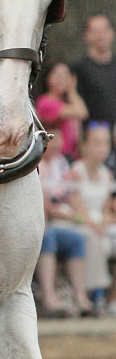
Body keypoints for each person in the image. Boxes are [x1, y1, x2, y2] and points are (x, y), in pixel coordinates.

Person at [35, 125, 96, 317]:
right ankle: (49, 297)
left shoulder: (61, 163)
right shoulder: (36, 165)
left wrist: (83, 216)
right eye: (53, 139)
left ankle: (80, 297)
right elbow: (42, 202)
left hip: (61, 221)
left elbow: (71, 194)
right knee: (49, 237)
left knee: (77, 239)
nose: (57, 144)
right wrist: (68, 215)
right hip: (43, 223)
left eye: (59, 139)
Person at [70, 124, 116, 314]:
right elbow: (77, 206)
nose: (102, 149)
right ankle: (95, 295)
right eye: (97, 143)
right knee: (91, 238)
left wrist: (103, 223)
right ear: (86, 146)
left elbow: (107, 210)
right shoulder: (76, 171)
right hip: (79, 222)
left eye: (105, 144)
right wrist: (94, 223)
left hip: (100, 224)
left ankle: (112, 300)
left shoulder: (108, 174)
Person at [36, 61, 89, 161]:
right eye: (57, 74)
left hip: (70, 156)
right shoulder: (45, 102)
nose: (61, 79)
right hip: (56, 156)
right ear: (48, 77)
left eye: (65, 75)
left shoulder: (66, 103)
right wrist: (72, 90)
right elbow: (81, 112)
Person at [72, 14, 116, 129]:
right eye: (95, 31)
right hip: (91, 136)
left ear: (112, 33)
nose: (101, 35)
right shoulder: (78, 69)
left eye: (105, 30)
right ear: (86, 35)